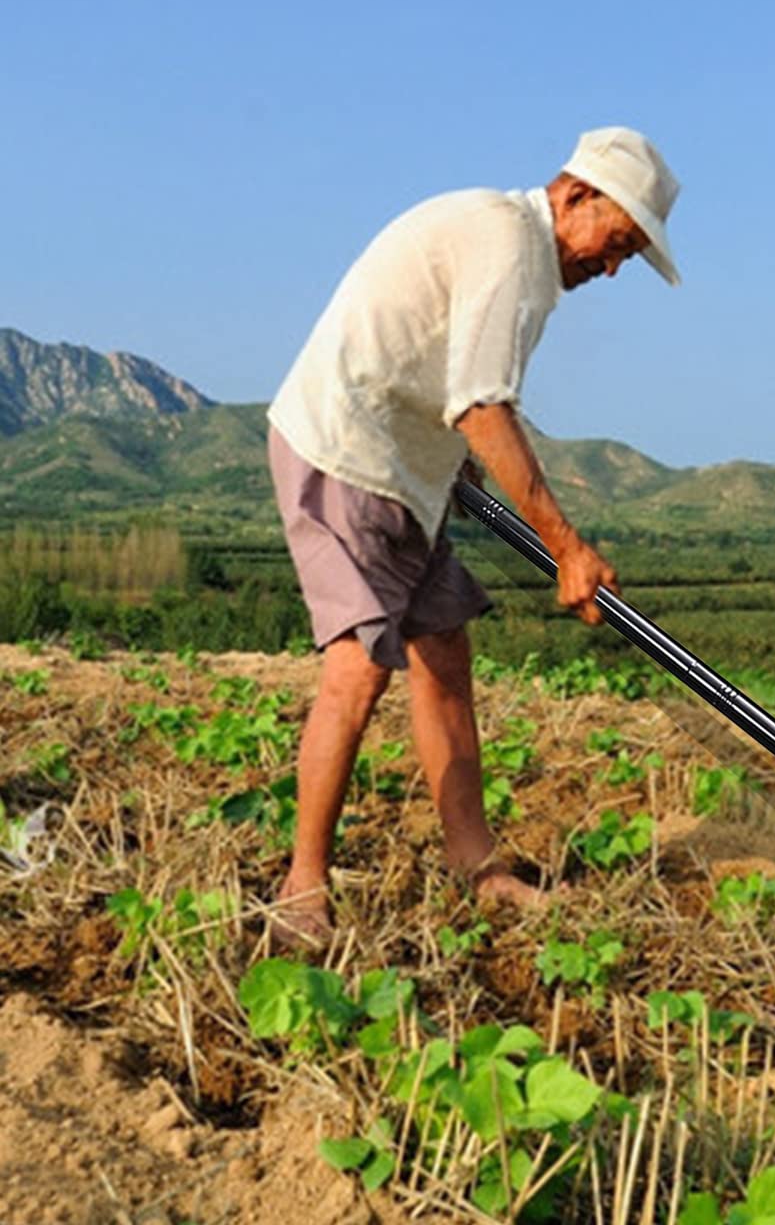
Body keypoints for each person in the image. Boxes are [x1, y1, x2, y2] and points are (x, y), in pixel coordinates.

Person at [263, 127, 681, 950]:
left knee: (443, 655)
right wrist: (565, 544)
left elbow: (449, 376)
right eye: (617, 242)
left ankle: (479, 869)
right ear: (575, 196)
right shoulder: (508, 247)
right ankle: (301, 885)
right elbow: (482, 404)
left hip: (406, 467)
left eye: (630, 255)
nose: (613, 266)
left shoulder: (512, 246)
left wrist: (459, 466)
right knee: (357, 671)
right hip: (349, 453)